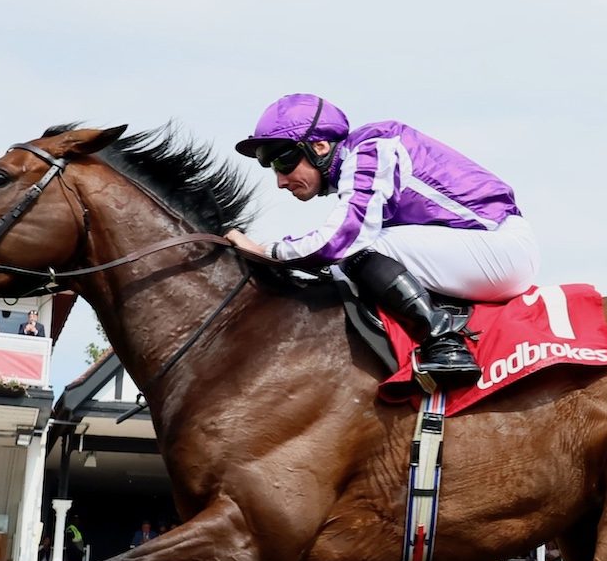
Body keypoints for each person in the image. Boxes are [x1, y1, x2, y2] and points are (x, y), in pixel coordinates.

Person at [226, 94, 539, 386]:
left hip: (501, 247)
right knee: (347, 264)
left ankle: (444, 342)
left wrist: (266, 251)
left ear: (319, 146)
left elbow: (342, 239)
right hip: (481, 249)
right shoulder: (360, 159)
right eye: (270, 168)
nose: (280, 181)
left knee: (360, 250)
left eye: (283, 162)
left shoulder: (372, 149)